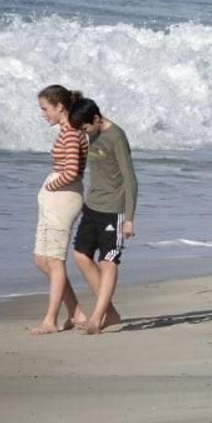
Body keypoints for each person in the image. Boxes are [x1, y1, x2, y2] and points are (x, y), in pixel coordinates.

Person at [67, 98, 137, 335]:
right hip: (92, 206)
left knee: (108, 261)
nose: (84, 134)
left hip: (113, 210)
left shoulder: (116, 136)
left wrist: (129, 217)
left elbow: (130, 179)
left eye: (85, 129)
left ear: (96, 119)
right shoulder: (89, 127)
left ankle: (97, 318)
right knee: (80, 255)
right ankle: (111, 312)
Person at [30, 84, 88, 335]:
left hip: (63, 198)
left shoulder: (72, 133)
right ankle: (76, 312)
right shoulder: (66, 132)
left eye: (45, 109)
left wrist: (52, 184)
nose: (43, 114)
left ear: (60, 107)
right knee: (41, 259)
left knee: (54, 260)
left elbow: (72, 171)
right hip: (56, 198)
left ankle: (50, 320)